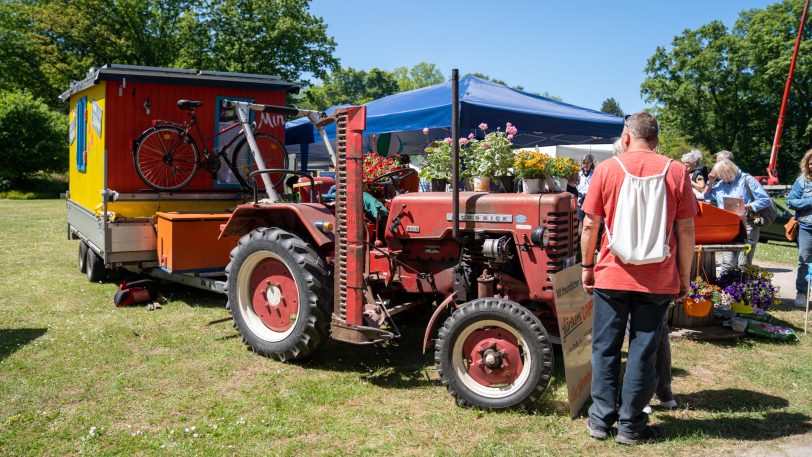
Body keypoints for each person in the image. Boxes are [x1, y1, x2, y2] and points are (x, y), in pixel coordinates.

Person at [581, 112, 696, 445]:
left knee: (605, 349)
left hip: (611, 275)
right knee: (644, 351)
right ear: (657, 139)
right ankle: (632, 426)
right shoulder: (676, 171)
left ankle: (601, 421)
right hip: (658, 278)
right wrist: (684, 275)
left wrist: (587, 267)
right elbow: (686, 229)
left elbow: (590, 225)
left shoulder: (606, 169)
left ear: (626, 137)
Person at [704, 158, 772, 271]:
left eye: (721, 175)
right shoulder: (722, 183)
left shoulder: (747, 179)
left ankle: (742, 287)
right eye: (718, 176)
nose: (720, 178)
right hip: (728, 227)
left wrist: (744, 207)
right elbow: (706, 195)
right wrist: (710, 181)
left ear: (729, 171)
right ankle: (726, 287)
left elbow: (765, 200)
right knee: (727, 264)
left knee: (743, 264)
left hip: (748, 224)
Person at [787, 148, 812, 308]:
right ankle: (801, 293)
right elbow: (790, 202)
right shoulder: (802, 180)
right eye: (810, 163)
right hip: (806, 227)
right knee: (804, 261)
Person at [576, 154, 595, 221]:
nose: (585, 165)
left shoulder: (595, 174)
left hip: (590, 203)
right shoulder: (578, 174)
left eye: (587, 163)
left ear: (591, 163)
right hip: (580, 202)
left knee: (588, 223)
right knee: (577, 221)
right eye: (584, 163)